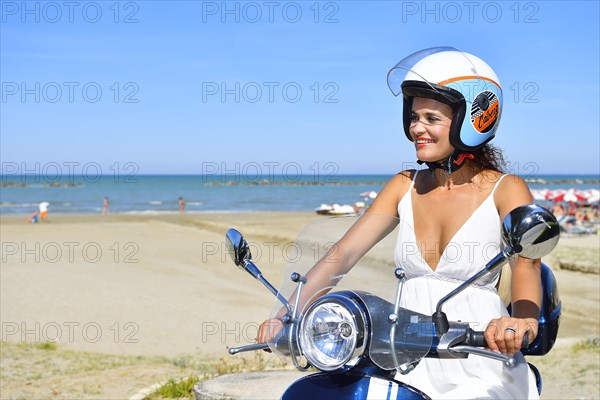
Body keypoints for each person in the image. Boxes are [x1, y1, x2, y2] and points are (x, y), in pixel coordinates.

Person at [257, 47, 541, 399]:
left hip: (481, 356)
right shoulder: (402, 185)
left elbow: (527, 264)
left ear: (474, 120)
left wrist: (522, 322)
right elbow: (343, 255)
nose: (416, 127)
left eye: (431, 118)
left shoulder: (506, 189)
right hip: (404, 356)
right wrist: (288, 313)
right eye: (413, 116)